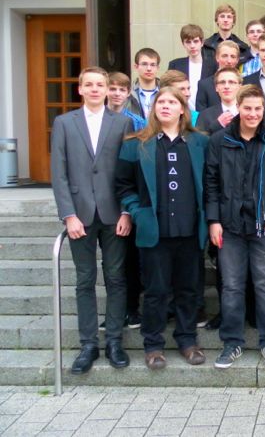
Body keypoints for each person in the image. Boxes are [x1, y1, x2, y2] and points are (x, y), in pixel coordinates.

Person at [115, 86, 209, 369]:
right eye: (161, 102)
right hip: (154, 231)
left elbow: (211, 182)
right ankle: (153, 345)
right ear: (154, 109)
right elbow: (123, 184)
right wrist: (136, 212)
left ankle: (187, 340)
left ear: (182, 109)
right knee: (155, 291)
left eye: (172, 102)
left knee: (188, 290)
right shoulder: (136, 144)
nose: (165, 106)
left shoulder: (200, 142)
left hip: (190, 230)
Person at [51, 66, 133, 374]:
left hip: (114, 214)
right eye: (90, 84)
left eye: (101, 84)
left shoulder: (122, 122)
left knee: (116, 278)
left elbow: (128, 170)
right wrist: (69, 215)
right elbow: (58, 172)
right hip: (80, 215)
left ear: (108, 89)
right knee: (85, 280)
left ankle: (114, 341)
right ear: (81, 89)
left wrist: (127, 211)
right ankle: (88, 344)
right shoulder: (64, 123)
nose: (96, 89)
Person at [204, 84, 265, 369]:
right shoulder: (219, 140)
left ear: (264, 109)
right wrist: (214, 221)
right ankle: (232, 343)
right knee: (231, 286)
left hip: (264, 225)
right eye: (247, 108)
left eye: (257, 108)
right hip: (229, 226)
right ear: (238, 108)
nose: (253, 113)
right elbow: (211, 183)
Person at [106, 71, 145, 330]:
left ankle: (131, 308)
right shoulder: (94, 120)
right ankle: (114, 312)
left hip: (129, 197)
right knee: (111, 261)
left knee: (131, 257)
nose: (117, 93)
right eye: (113, 88)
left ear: (129, 93)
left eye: (122, 89)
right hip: (104, 198)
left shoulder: (137, 123)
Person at [167, 24, 216, 110]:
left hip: (206, 111)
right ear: (183, 44)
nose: (192, 46)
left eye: (195, 41)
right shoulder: (175, 65)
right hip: (181, 110)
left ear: (202, 43)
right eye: (188, 42)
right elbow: (169, 90)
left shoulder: (213, 65)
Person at [201, 3, 251, 69]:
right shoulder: (206, 45)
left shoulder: (243, 47)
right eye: (222, 16)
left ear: (233, 22)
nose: (225, 20)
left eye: (229, 17)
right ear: (217, 20)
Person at [196, 40, 241, 111]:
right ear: (217, 57)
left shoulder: (246, 83)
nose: (229, 61)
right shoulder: (204, 85)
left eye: (233, 57)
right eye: (224, 56)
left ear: (237, 60)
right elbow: (201, 115)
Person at [195, 67, 242, 134]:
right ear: (216, 87)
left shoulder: (248, 112)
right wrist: (217, 125)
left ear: (240, 87)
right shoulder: (205, 115)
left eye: (231, 82)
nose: (226, 86)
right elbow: (198, 139)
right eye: (222, 82)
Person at [131, 48, 161, 119]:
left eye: (153, 65)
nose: (149, 69)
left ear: (157, 68)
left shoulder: (166, 91)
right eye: (144, 64)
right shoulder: (128, 93)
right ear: (136, 67)